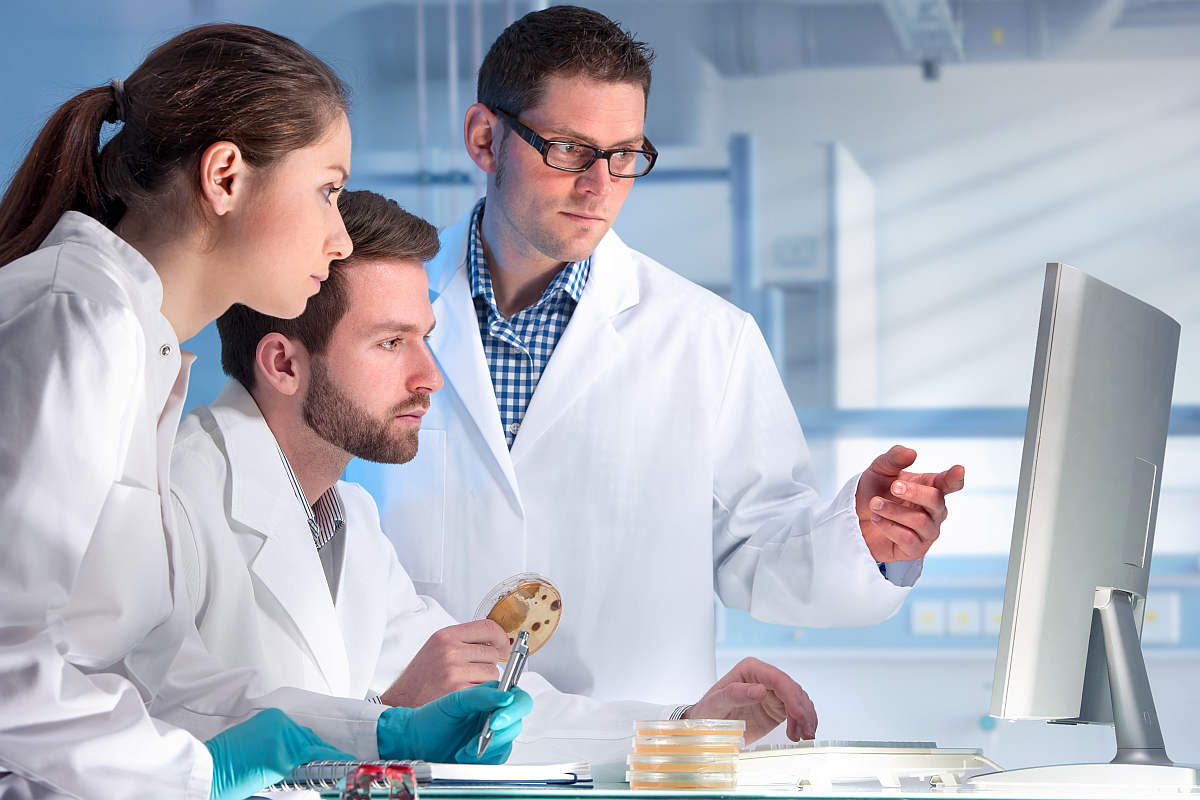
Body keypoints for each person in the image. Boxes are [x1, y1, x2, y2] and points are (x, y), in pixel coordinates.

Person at [380, 5, 968, 705]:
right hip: (408, 748)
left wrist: (862, 543)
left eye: (624, 155)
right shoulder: (372, 313)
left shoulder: (707, 340)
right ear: (485, 138)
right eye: (568, 149)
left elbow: (758, 545)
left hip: (629, 760)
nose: (599, 187)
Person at [0, 26, 526, 800]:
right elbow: (8, 661)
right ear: (225, 177)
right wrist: (200, 774)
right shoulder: (76, 319)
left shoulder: (137, 346)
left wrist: (372, 731)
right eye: (328, 190)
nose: (338, 233)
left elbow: (155, 676)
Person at [167, 189, 820, 770]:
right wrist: (389, 721)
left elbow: (493, 711)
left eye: (426, 337)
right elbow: (143, 735)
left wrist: (687, 728)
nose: (430, 375)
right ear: (283, 362)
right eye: (391, 343)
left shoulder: (349, 521)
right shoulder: (171, 499)